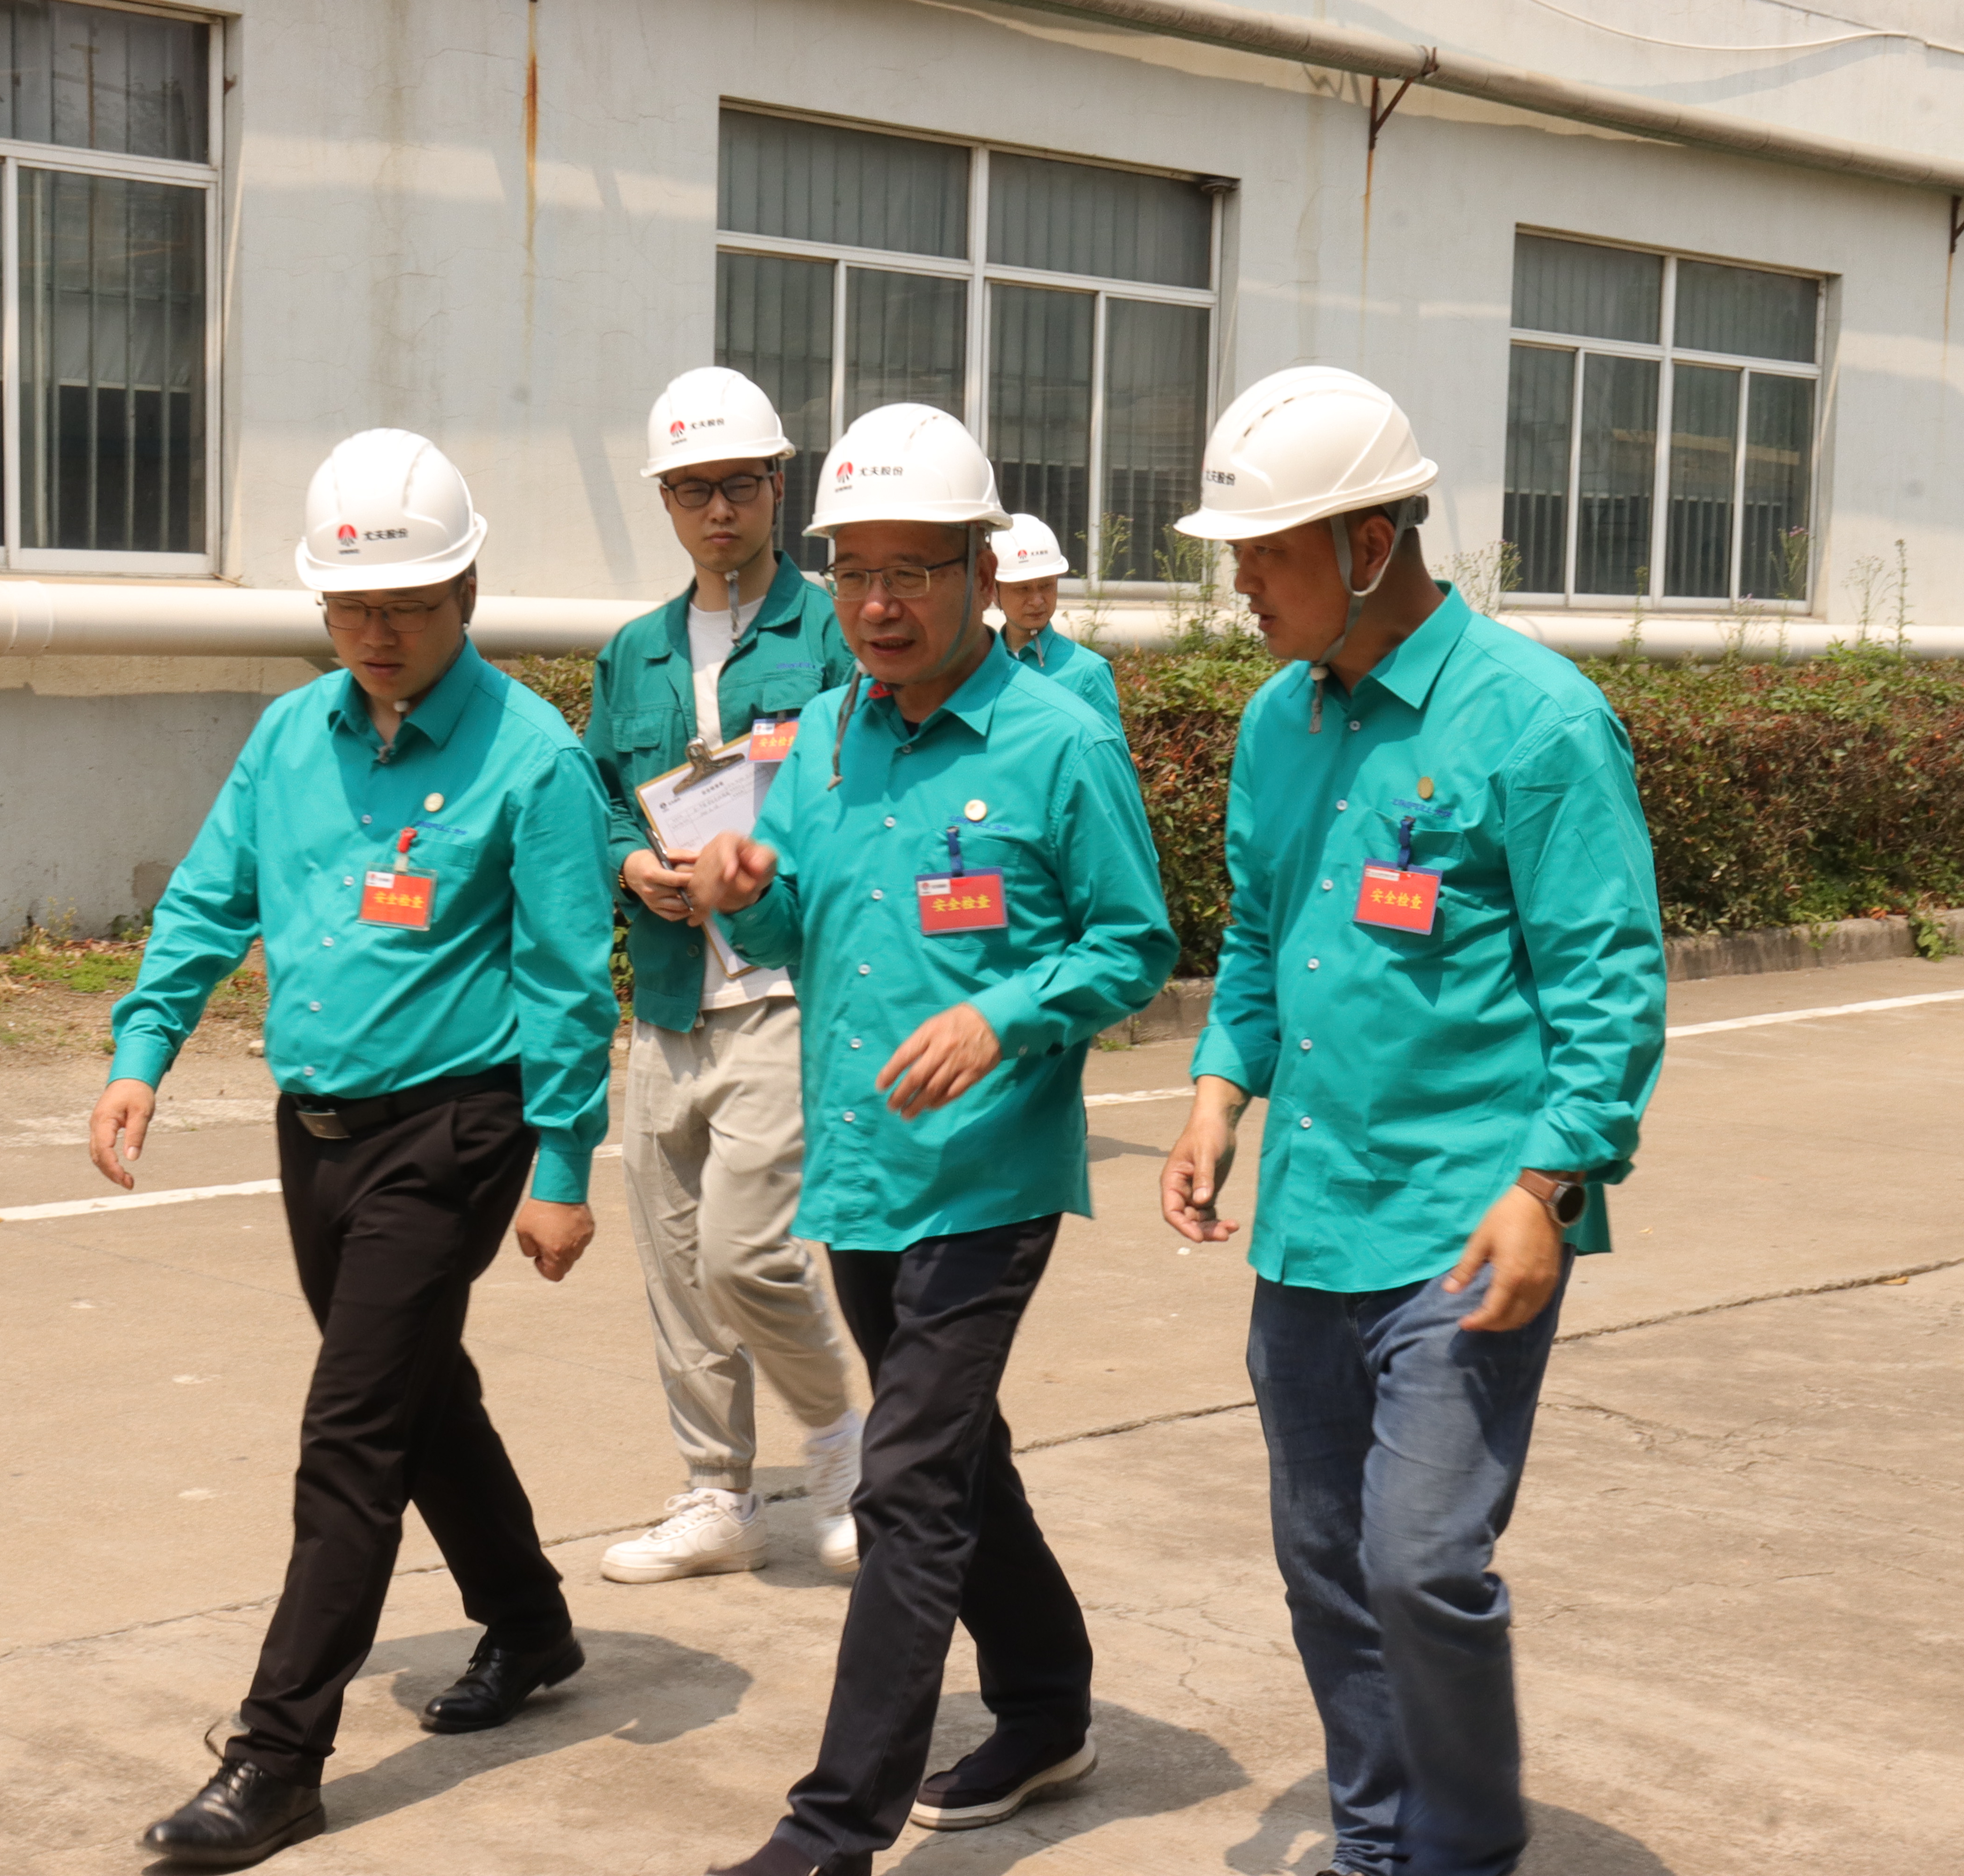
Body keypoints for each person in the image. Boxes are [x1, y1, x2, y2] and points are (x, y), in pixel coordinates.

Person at [1156, 367, 1668, 1876]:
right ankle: (1379, 1847)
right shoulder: (1277, 723)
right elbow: (1260, 942)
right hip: (1311, 1224)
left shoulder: (1536, 722)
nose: (1242, 587)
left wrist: (1550, 1183)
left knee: (1420, 1559)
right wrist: (1216, 1097)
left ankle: (1459, 1851)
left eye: (1267, 554)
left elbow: (1609, 982)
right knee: (1325, 1565)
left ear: (1369, 544)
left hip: (1468, 1223)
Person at [91, 428, 619, 1868]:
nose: (378, 635)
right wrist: (143, 1052)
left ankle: (278, 1757)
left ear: (468, 593)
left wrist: (564, 1167)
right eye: (351, 608)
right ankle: (531, 1623)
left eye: (408, 607)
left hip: (456, 1126)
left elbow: (570, 983)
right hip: (313, 1127)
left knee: (351, 1431)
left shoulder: (533, 758)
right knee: (413, 1388)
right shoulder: (291, 735)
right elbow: (211, 898)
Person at [689, 403, 1177, 1876]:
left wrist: (1005, 1015)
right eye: (853, 572)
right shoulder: (824, 738)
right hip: (858, 1172)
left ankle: (830, 1829)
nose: (879, 604)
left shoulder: (1058, 741)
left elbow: (1133, 942)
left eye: (913, 571)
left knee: (903, 1485)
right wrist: (745, 889)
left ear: (981, 570)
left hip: (984, 1177)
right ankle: (1047, 1705)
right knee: (955, 1459)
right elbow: (798, 925)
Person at [583, 367, 868, 1586]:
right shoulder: (634, 653)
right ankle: (717, 1493)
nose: (717, 510)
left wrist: (771, 862)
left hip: (780, 989)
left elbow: (862, 788)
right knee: (676, 1263)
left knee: (747, 1251)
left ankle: (845, 1449)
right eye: (692, 489)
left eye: (738, 485)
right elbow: (599, 797)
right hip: (668, 997)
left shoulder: (831, 634)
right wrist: (632, 864)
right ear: (665, 498)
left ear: (777, 485)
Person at [986, 513, 1122, 733]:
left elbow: (1107, 752)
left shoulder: (1089, 672)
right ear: (993, 591)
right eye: (1023, 588)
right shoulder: (978, 667)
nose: (1037, 600)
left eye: (1047, 585)